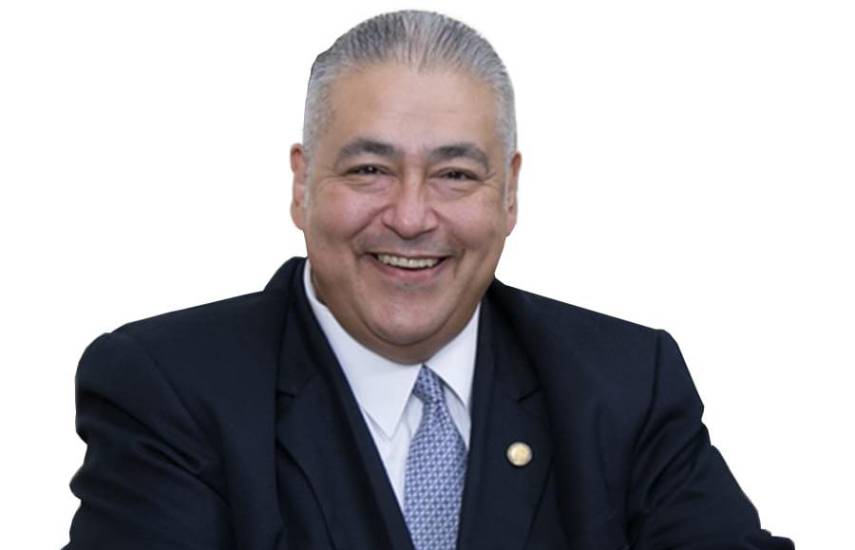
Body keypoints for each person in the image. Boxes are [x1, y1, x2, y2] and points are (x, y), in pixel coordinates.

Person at [63, 10, 793, 550]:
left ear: (509, 194)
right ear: (301, 185)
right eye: (369, 169)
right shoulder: (168, 390)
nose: (411, 217)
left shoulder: (626, 385)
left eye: (455, 175)